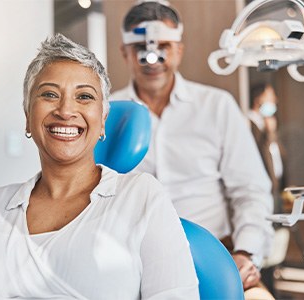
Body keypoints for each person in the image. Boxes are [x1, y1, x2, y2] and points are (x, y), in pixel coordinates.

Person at [0, 33, 199, 299]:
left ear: (103, 120)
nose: (65, 110)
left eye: (84, 96)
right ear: (28, 116)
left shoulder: (141, 195)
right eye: (49, 94)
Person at [111, 0, 275, 293]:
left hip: (219, 255)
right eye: (141, 49)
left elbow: (251, 189)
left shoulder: (217, 106)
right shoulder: (107, 115)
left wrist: (246, 252)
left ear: (179, 50)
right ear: (124, 52)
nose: (153, 58)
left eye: (164, 47)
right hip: (135, 263)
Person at [249, 83, 286, 214]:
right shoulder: (248, 124)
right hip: (260, 188)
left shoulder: (268, 123)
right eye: (270, 96)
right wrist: (269, 133)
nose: (275, 100)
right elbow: (258, 153)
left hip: (275, 186)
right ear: (258, 99)